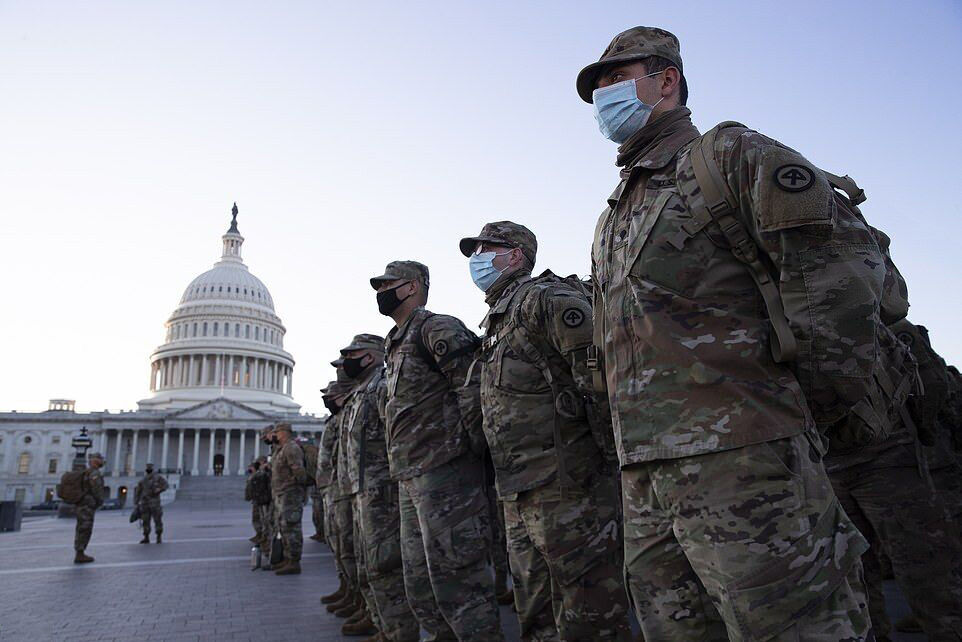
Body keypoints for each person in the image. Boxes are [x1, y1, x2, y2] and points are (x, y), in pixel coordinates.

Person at [579, 26, 878, 640]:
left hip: (746, 463)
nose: (603, 94)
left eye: (615, 77)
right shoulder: (615, 212)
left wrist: (799, 410)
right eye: (598, 86)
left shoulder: (728, 157)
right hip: (647, 476)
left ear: (666, 80)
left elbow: (842, 276)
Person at [459, 221, 630, 640]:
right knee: (535, 610)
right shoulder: (498, 320)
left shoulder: (546, 300)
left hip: (567, 487)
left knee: (590, 610)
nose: (478, 258)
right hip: (520, 489)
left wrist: (606, 465)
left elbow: (598, 381)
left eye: (487, 247)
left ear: (515, 255)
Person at [371, 260, 501, 641]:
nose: (381, 292)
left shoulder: (436, 328)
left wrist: (471, 452)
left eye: (387, 284)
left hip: (447, 472)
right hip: (411, 476)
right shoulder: (394, 343)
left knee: (461, 586)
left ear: (411, 287)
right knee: (422, 588)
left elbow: (473, 389)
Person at [828, 318, 962, 640]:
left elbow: (933, 386)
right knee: (857, 575)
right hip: (841, 458)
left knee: (922, 566)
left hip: (881, 452)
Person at [341, 333, 420, 641]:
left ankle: (400, 631)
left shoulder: (381, 388)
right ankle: (384, 625)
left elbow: (398, 437)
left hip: (382, 493)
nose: (347, 360)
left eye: (353, 354)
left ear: (370, 356)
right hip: (363, 491)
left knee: (386, 566)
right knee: (369, 564)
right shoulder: (362, 392)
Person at [270, 422, 307, 575]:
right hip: (282, 493)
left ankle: (294, 561)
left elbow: (299, 471)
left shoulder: (291, 448)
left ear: (284, 432)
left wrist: (295, 487)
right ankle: (287, 559)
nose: (275, 435)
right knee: (284, 527)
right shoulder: (282, 449)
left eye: (277, 432)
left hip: (290, 494)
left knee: (292, 528)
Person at [74, 452, 105, 563]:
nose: (102, 461)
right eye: (100, 459)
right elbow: (96, 489)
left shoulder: (85, 472)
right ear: (95, 461)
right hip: (87, 505)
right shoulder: (94, 473)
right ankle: (80, 553)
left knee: (81, 528)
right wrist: (100, 501)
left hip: (81, 504)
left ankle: (79, 551)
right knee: (85, 528)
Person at [134, 462, 168, 544]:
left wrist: (159, 490)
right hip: (145, 503)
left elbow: (165, 485)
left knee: (157, 520)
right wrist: (136, 502)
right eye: (147, 468)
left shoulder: (158, 478)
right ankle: (146, 537)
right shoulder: (142, 480)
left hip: (155, 502)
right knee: (145, 520)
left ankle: (158, 536)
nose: (148, 469)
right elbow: (138, 491)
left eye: (150, 468)